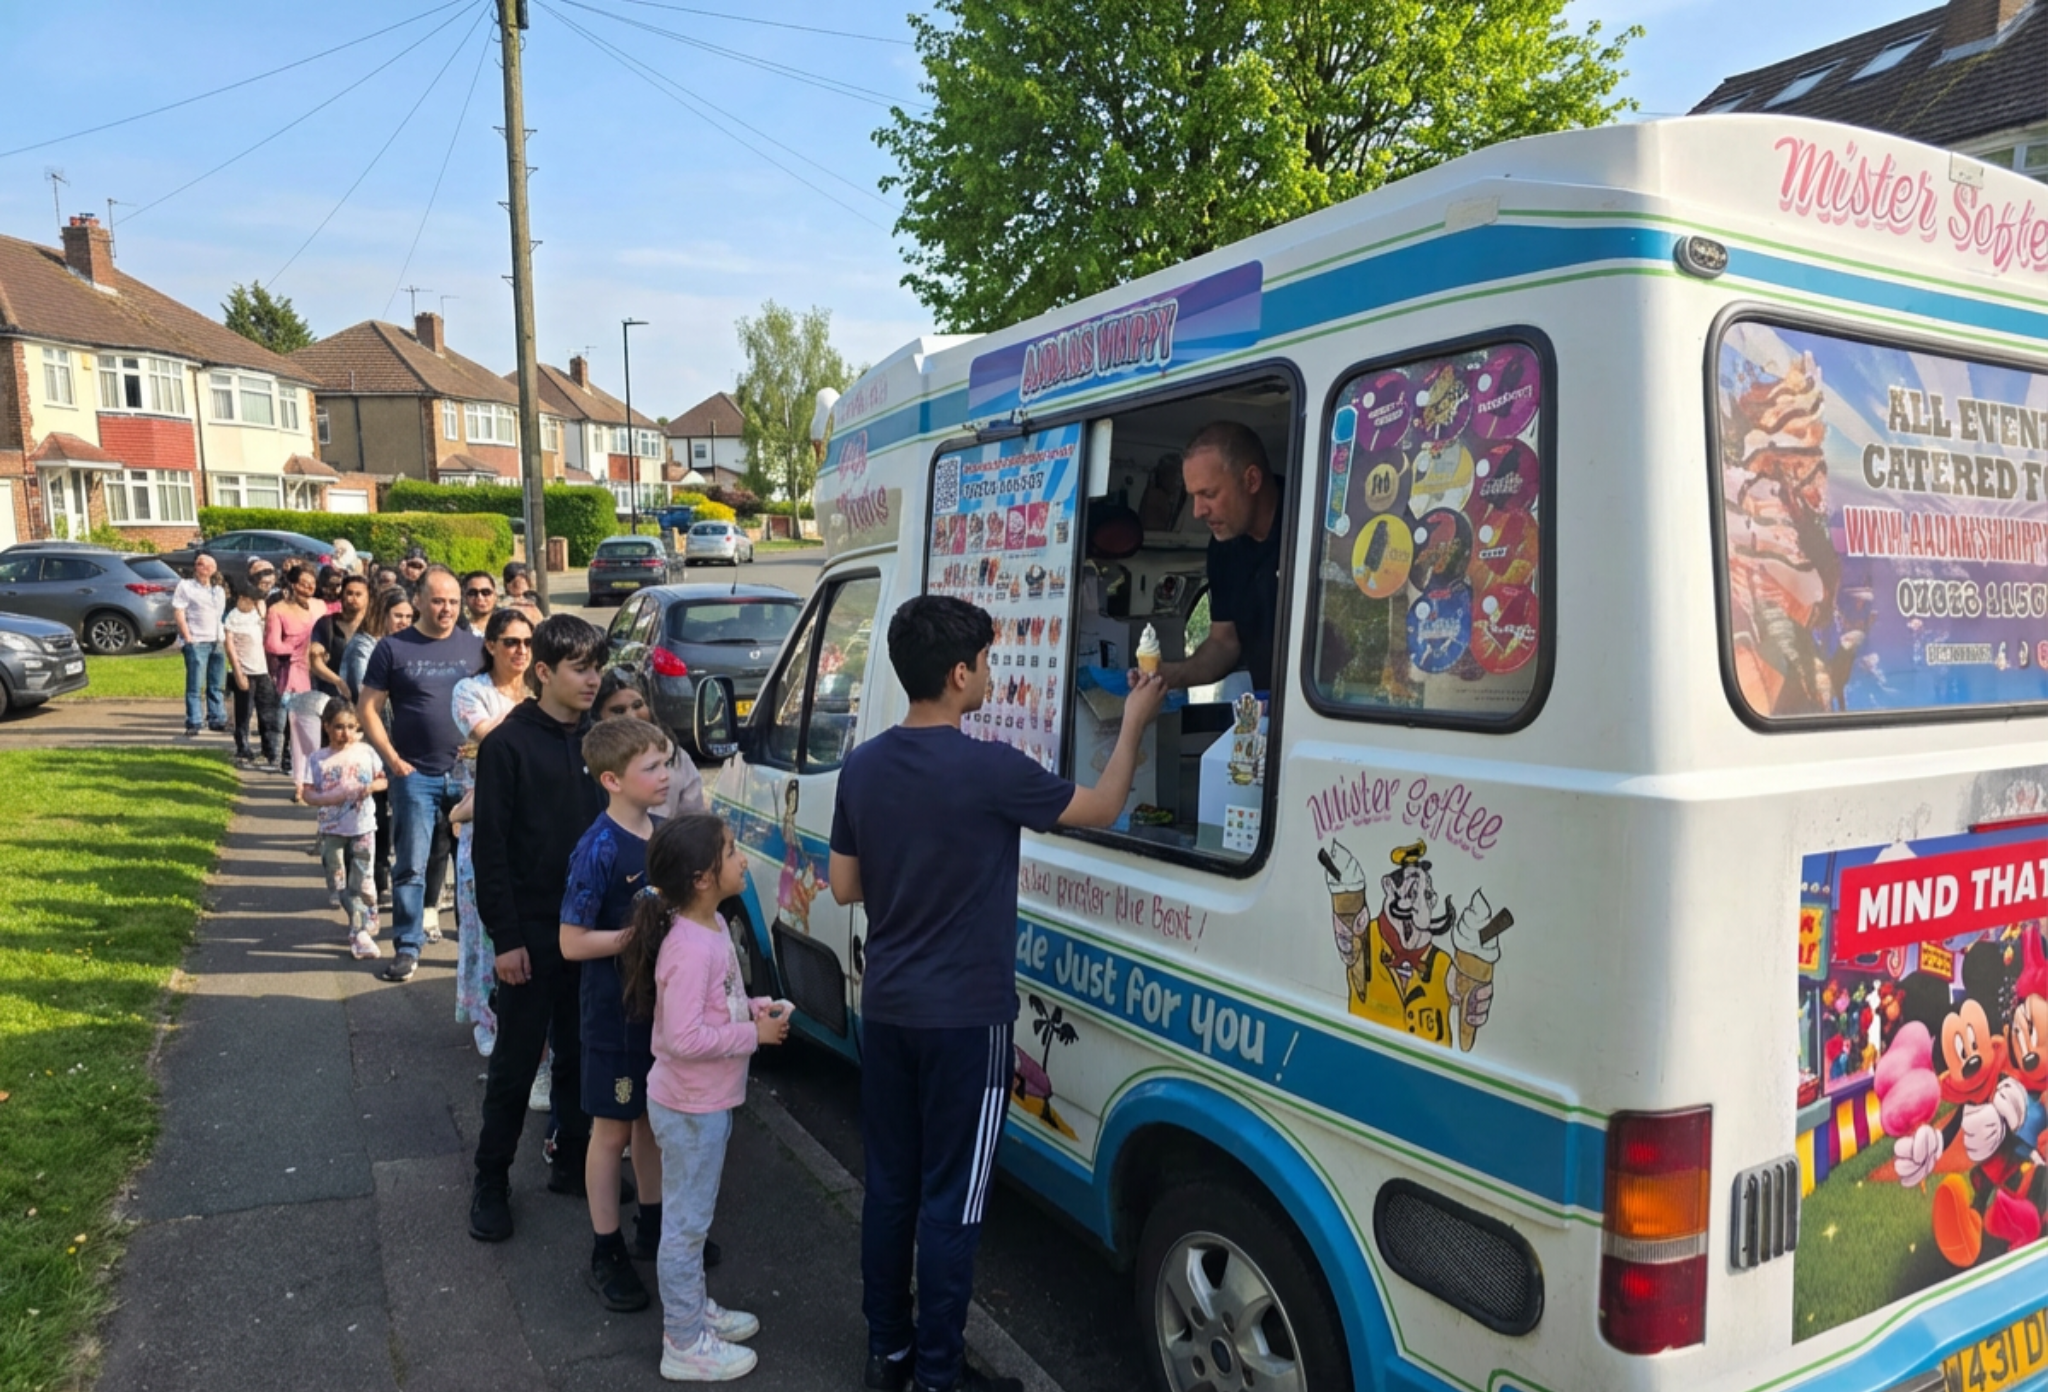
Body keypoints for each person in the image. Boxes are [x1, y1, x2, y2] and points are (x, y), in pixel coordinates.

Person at [829, 595, 1165, 1392]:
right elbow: (1106, 806)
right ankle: (941, 1375)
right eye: (984, 661)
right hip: (965, 1022)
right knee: (953, 1203)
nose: (991, 673)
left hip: (888, 1009)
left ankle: (890, 1354)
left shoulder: (864, 764)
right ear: (957, 674)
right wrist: (1135, 721)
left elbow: (844, 886)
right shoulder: (990, 769)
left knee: (893, 1190)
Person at [621, 814, 789, 1382]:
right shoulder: (691, 946)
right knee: (687, 1225)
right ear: (701, 877)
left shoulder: (710, 923)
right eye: (732, 850)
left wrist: (753, 1008)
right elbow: (683, 1037)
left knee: (692, 1219)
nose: (742, 859)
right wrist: (753, 1035)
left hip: (701, 1104)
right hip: (691, 1108)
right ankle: (684, 1340)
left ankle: (692, 1311)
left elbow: (717, 1001)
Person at [467, 614, 609, 1242]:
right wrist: (508, 940)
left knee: (583, 1056)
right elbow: (489, 851)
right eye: (581, 668)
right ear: (544, 672)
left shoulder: (599, 741)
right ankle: (490, 1180)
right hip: (531, 934)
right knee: (518, 1065)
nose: (593, 679)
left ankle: (573, 1163)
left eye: (598, 667)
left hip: (593, 935)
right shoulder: (507, 746)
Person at [559, 716, 675, 1312]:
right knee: (612, 1133)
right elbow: (571, 942)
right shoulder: (598, 847)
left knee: (651, 1121)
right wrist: (635, 935)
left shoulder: (660, 832)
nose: (666, 775)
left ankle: (653, 1227)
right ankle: (606, 1249)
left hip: (659, 1013)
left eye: (666, 762)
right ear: (611, 779)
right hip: (612, 1016)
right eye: (651, 767)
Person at [359, 567, 485, 982]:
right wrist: (393, 760)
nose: (447, 608)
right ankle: (408, 947)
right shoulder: (392, 649)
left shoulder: (475, 647)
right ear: (418, 600)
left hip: (468, 775)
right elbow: (368, 710)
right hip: (414, 775)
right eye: (437, 600)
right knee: (411, 865)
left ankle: (473, 947)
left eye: (453, 600)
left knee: (473, 867)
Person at [449, 609, 534, 1056]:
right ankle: (486, 1015)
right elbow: (495, 742)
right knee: (484, 923)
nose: (520, 650)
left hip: (533, 820)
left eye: (526, 642)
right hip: (485, 817)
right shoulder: (470, 691)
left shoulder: (538, 689)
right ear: (491, 646)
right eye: (510, 642)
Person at [1146, 421, 1283, 693]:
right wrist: (1170, 676)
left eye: (1208, 494)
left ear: (1252, 480)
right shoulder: (1224, 547)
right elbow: (1224, 642)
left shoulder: (1315, 522)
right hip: (1269, 713)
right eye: (1193, 497)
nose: (1198, 512)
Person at [302, 700, 388, 960]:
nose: (345, 733)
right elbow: (306, 793)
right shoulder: (317, 759)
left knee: (361, 881)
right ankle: (363, 913)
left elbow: (382, 780)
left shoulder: (366, 752)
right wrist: (329, 798)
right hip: (332, 830)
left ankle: (359, 930)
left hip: (362, 827)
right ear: (326, 727)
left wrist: (371, 787)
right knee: (338, 881)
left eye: (351, 727)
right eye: (339, 727)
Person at [346, 587, 415, 907]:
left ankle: (398, 877)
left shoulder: (412, 646)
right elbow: (367, 697)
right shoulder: (366, 647)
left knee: (401, 813)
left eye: (408, 617)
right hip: (372, 741)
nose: (403, 622)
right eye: (397, 616)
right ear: (382, 615)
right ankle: (374, 877)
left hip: (404, 743)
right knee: (374, 814)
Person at [595, 669, 706, 818]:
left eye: (637, 705)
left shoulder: (673, 754)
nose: (631, 716)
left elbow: (694, 817)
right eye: (618, 710)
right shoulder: (593, 760)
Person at [266, 563, 324, 793]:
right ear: (293, 584)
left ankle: (314, 778)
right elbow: (271, 644)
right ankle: (302, 782)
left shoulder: (320, 606)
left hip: (321, 672)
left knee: (320, 729)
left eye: (312, 583)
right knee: (302, 731)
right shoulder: (278, 610)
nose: (309, 587)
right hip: (295, 674)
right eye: (304, 583)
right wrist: (294, 648)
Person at [223, 578, 282, 768]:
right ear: (241, 598)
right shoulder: (232, 618)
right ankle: (243, 747)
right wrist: (238, 674)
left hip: (262, 670)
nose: (254, 603)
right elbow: (230, 647)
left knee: (267, 713)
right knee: (244, 713)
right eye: (251, 599)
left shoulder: (258, 613)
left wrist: (260, 606)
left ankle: (269, 750)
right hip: (245, 672)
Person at [173, 551, 228, 737]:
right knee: (195, 685)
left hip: (216, 641)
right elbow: (179, 611)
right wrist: (187, 636)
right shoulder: (186, 586)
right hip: (197, 640)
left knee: (216, 684)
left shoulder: (218, 590)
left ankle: (217, 718)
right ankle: (194, 720)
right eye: (199, 564)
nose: (203, 568)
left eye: (207, 565)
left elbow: (220, 615)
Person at [310, 574, 371, 700]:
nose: (353, 598)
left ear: (368, 598)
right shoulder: (326, 624)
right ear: (342, 595)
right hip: (332, 696)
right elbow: (315, 661)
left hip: (367, 698)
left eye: (358, 594)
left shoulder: (374, 627)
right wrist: (339, 682)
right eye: (349, 593)